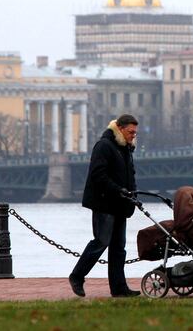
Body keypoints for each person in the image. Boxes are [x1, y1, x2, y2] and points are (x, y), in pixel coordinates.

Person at [69, 114, 140, 297]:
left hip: (120, 205)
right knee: (101, 241)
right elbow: (98, 175)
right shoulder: (104, 146)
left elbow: (130, 175)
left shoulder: (125, 148)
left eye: (135, 132)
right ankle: (77, 276)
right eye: (131, 132)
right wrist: (118, 190)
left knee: (119, 248)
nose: (133, 135)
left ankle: (119, 288)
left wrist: (132, 193)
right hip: (104, 204)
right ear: (120, 129)